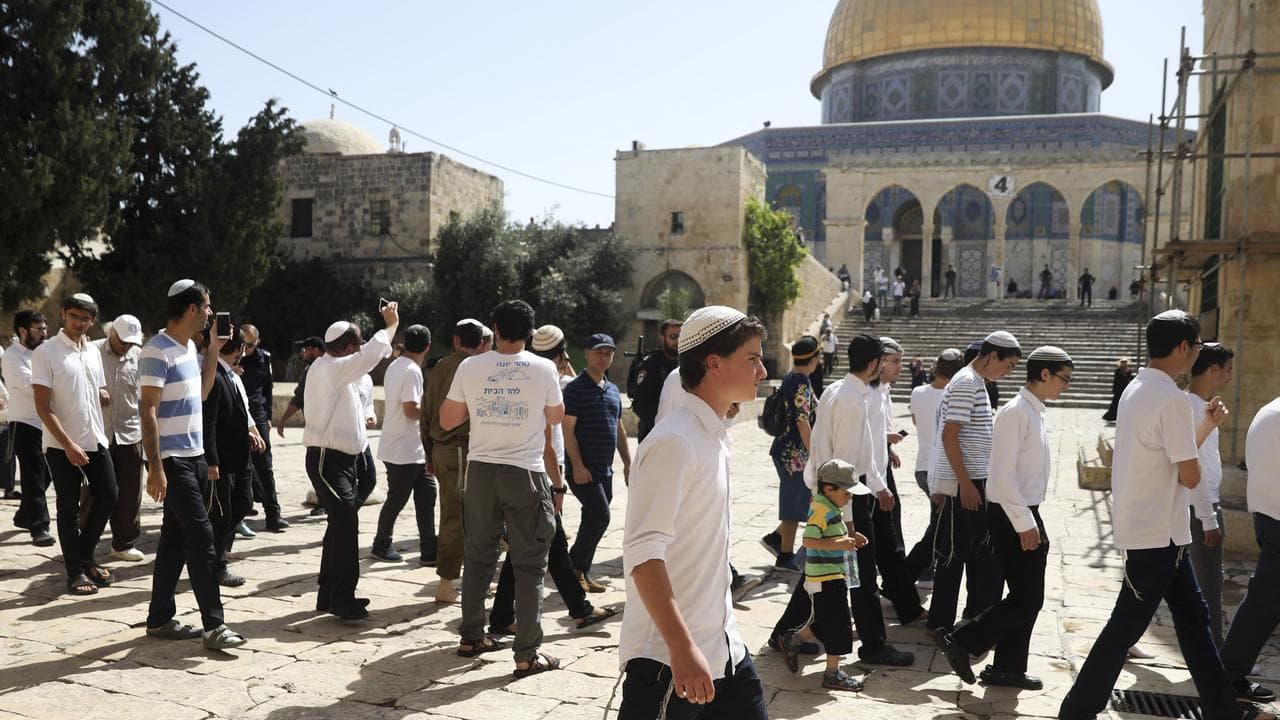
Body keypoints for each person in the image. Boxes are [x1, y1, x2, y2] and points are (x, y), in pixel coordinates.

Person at [1058, 310, 1270, 720]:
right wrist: (1201, 437)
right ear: (1183, 348)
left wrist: (1204, 427)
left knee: (1194, 621)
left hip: (1160, 532)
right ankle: (1077, 710)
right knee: (1125, 629)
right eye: (1194, 346)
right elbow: (1189, 474)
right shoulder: (1171, 399)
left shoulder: (1137, 389)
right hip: (1157, 534)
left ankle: (1223, 709)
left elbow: (1170, 457)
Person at [619, 305, 769, 718]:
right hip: (669, 661)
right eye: (753, 359)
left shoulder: (713, 438)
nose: (762, 372)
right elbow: (643, 555)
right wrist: (682, 648)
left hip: (723, 647)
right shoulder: (675, 442)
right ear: (714, 363)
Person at [440, 299, 563, 677]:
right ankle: (527, 653)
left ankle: (471, 636)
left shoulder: (470, 366)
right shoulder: (543, 368)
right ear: (530, 333)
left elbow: (448, 420)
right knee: (529, 565)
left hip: (480, 471)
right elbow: (555, 417)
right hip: (523, 472)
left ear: (494, 328)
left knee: (478, 555)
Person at [938, 346, 1073, 690]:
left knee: (1024, 596)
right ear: (1044, 374)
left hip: (1026, 510)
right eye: (1063, 379)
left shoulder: (1033, 411)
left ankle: (1008, 668)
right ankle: (964, 641)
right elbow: (1001, 478)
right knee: (1028, 598)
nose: (1066, 386)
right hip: (1014, 513)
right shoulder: (1016, 413)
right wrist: (1024, 524)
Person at [786, 333, 914, 667]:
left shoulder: (838, 391)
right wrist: (848, 517)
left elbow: (864, 450)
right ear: (874, 364)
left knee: (828, 570)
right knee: (860, 575)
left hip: (845, 494)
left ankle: (787, 633)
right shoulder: (853, 401)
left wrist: (879, 485)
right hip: (844, 497)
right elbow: (844, 462)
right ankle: (872, 645)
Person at [488, 325, 618, 634]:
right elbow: (547, 443)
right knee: (545, 545)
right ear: (561, 356)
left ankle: (572, 610)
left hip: (517, 472)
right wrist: (558, 485)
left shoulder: (526, 377)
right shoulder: (548, 384)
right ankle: (572, 611)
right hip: (539, 477)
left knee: (547, 546)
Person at [142, 279, 247, 650]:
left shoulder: (188, 348)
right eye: (206, 306)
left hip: (196, 456)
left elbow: (202, 394)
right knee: (202, 539)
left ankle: (159, 618)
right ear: (190, 309)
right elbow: (148, 409)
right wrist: (154, 467)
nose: (209, 312)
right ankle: (214, 626)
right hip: (173, 461)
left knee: (174, 540)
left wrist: (214, 351)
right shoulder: (157, 349)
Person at [303, 306, 398, 622]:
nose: (359, 350)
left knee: (340, 523)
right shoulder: (330, 368)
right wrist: (391, 325)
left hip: (346, 461)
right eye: (356, 344)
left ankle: (328, 593)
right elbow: (371, 355)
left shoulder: (341, 372)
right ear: (346, 348)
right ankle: (342, 598)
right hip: (327, 461)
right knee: (345, 523)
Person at [927, 331, 1022, 636]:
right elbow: (949, 434)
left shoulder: (975, 382)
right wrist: (964, 484)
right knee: (956, 554)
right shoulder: (967, 382)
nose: (1006, 374)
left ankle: (966, 617)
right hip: (967, 482)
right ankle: (943, 624)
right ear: (992, 356)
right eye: (1007, 366)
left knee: (967, 551)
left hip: (974, 479)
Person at [32, 293, 119, 596]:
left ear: (93, 321)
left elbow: (95, 387)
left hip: (95, 437)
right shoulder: (46, 352)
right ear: (63, 314)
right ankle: (76, 572)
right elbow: (43, 406)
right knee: (68, 508)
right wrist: (67, 444)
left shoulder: (93, 352)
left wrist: (103, 393)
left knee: (109, 494)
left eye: (86, 318)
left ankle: (84, 554)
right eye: (74, 317)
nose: (79, 323)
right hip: (61, 444)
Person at [777, 459, 872, 692]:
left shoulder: (830, 506)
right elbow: (809, 540)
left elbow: (830, 535)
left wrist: (852, 537)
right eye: (847, 493)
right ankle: (832, 673)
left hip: (831, 576)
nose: (850, 497)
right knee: (839, 624)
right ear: (829, 488)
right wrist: (840, 543)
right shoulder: (821, 508)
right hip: (825, 578)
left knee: (829, 620)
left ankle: (793, 639)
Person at [1220, 395, 1280, 702]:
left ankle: (1229, 672)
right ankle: (1228, 674)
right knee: (1264, 603)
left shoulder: (1268, 410)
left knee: (1265, 602)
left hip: (1268, 517)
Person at [421, 318, 485, 604]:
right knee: (454, 518)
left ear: (456, 340)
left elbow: (425, 413)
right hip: (460, 448)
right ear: (481, 343)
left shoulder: (437, 368)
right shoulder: (476, 369)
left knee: (460, 515)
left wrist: (428, 453)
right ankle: (446, 583)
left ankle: (461, 578)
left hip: (442, 449)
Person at [564, 333, 631, 593]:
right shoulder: (575, 388)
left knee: (591, 518)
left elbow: (618, 427)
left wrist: (627, 462)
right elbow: (567, 431)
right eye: (599, 352)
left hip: (606, 470)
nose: (604, 357)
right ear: (588, 353)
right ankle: (572, 568)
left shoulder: (612, 389)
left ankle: (583, 572)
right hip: (583, 470)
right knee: (600, 516)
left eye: (609, 353)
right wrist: (578, 466)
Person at [869, 337, 926, 625]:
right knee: (888, 540)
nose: (900, 367)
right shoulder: (865, 392)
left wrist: (887, 448)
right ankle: (907, 605)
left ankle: (902, 599)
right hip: (868, 475)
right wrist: (883, 441)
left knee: (890, 537)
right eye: (895, 361)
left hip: (880, 469)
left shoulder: (883, 390)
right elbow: (861, 435)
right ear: (879, 362)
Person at [202, 332, 266, 587]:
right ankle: (215, 563)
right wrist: (212, 459)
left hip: (239, 455)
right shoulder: (214, 375)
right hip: (222, 458)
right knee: (221, 513)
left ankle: (214, 551)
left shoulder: (231, 374)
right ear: (239, 348)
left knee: (243, 502)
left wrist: (251, 433)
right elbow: (209, 421)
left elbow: (241, 412)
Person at [372, 325, 436, 565]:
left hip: (409, 449)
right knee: (397, 499)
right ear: (427, 346)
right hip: (404, 449)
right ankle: (381, 544)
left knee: (427, 494)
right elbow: (411, 410)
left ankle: (429, 550)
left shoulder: (396, 365)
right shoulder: (411, 370)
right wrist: (434, 415)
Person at [1185, 343, 1235, 648]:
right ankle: (1215, 649)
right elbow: (1194, 463)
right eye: (1228, 369)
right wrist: (1209, 518)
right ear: (1213, 369)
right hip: (1200, 505)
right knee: (1209, 582)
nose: (1230, 376)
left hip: (1194, 505)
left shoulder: (1193, 404)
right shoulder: (1193, 407)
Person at [905, 349, 965, 584]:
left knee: (938, 522)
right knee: (938, 526)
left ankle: (922, 568)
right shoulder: (956, 396)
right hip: (942, 467)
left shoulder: (918, 392)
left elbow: (916, 421)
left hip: (922, 466)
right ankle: (913, 571)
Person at [760, 335, 820, 574]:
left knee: (797, 499)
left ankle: (776, 538)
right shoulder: (802, 383)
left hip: (786, 449)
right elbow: (802, 422)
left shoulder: (790, 377)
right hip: (794, 453)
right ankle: (785, 555)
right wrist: (814, 452)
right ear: (813, 359)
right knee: (794, 502)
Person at [93, 314, 146, 561]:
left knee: (131, 491)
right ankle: (87, 541)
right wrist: (95, 391)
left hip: (130, 432)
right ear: (110, 333)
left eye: (131, 342)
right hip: (99, 432)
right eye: (122, 340)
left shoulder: (139, 355)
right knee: (94, 492)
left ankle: (123, 543)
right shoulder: (91, 352)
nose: (126, 346)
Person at [5, 310, 53, 546]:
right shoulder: (13, 356)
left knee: (47, 474)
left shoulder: (46, 353)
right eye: (38, 329)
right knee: (33, 475)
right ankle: (39, 526)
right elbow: (31, 386)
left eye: (45, 329)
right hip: (25, 422)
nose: (44, 334)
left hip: (48, 421)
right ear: (23, 331)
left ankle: (25, 514)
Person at [238, 324, 287, 533]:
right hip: (237, 410)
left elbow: (268, 388)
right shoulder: (233, 355)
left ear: (257, 342)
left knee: (264, 464)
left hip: (257, 412)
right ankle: (242, 510)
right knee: (240, 464)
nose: (245, 349)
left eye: (249, 345)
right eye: (243, 344)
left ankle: (273, 514)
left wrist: (267, 415)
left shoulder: (263, 358)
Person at [628, 319, 680, 442]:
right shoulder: (650, 365)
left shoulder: (684, 364)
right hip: (653, 434)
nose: (678, 341)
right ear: (662, 338)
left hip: (680, 433)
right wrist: (663, 426)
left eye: (681, 337)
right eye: (673, 337)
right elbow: (640, 404)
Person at [274, 336, 325, 437]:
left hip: (319, 430)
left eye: (306, 350)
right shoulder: (310, 370)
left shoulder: (313, 370)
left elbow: (298, 399)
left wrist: (282, 421)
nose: (302, 353)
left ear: (315, 350)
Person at [1102, 358, 1135, 424]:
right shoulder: (1117, 371)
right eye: (1122, 362)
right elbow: (1116, 380)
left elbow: (1131, 378)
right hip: (1118, 389)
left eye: (1125, 362)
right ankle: (1110, 417)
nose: (1124, 363)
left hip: (1125, 389)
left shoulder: (1128, 371)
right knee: (1115, 404)